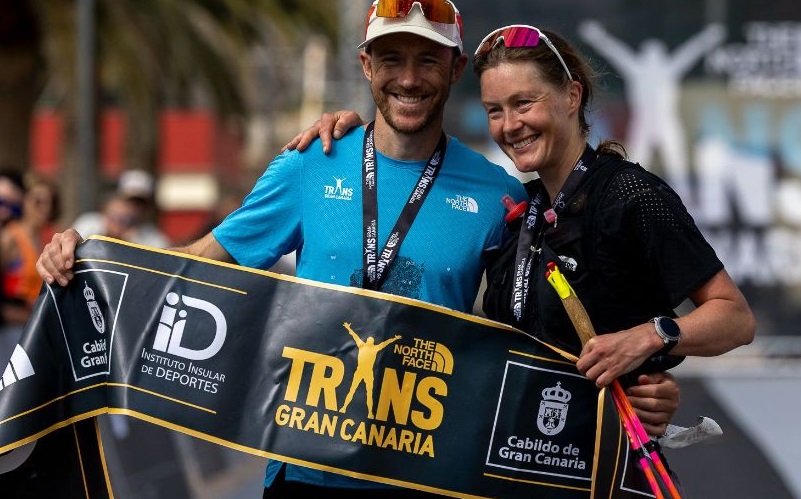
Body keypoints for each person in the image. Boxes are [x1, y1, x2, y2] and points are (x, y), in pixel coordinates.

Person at [37, 3, 680, 497]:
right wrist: (91, 258)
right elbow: (200, 263)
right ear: (366, 66)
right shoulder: (309, 164)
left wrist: (639, 379)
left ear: (456, 70)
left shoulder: (498, 193)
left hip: (427, 475)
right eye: (391, 58)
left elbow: (541, 319)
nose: (409, 78)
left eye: (428, 60)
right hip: (304, 471)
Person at [0, 174, 61, 362]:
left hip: (40, 328)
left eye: (51, 203)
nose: (45, 209)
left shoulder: (49, 240)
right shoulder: (9, 238)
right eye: (38, 202)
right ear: (24, 201)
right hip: (13, 332)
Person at [73, 169, 170, 248]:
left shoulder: (154, 238)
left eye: (140, 203)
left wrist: (130, 242)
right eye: (129, 201)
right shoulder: (89, 222)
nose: (134, 207)